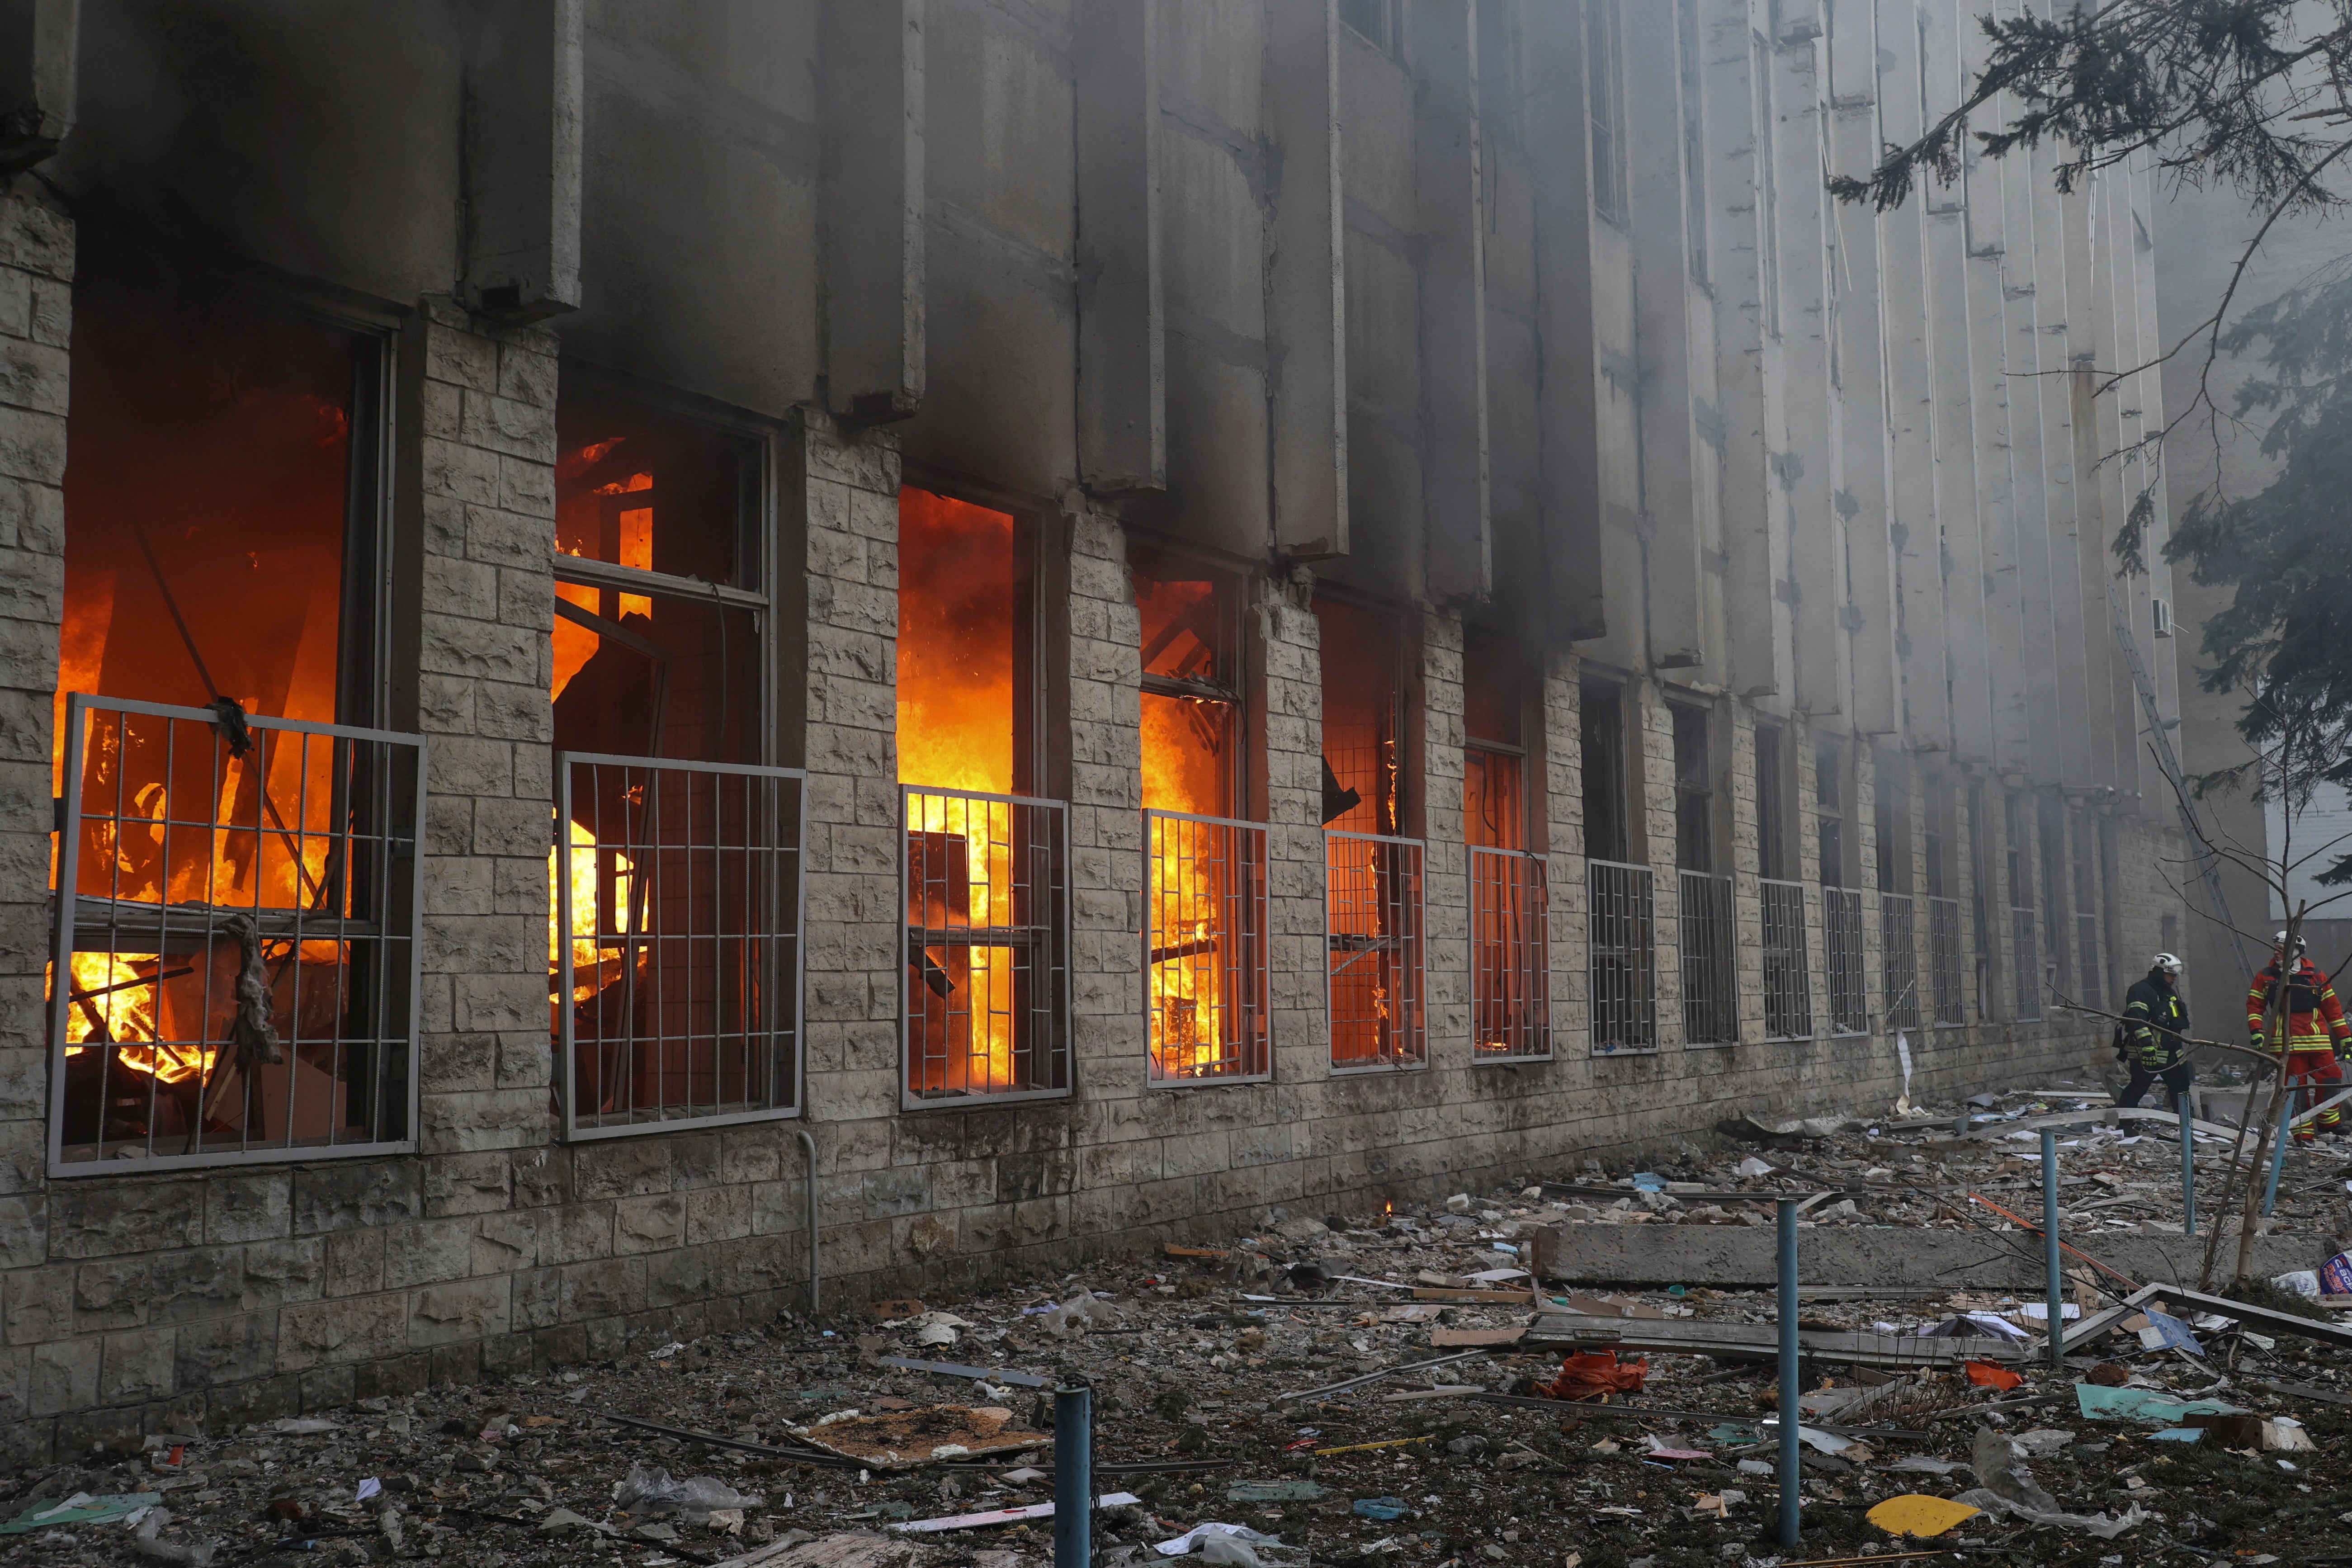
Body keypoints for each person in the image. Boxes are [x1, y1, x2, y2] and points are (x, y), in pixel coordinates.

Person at [2246, 931, 2351, 1143]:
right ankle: (2303, 1134)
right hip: (2288, 1048)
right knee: (2296, 1092)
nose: (2276, 952)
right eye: (2275, 947)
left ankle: (2329, 1123)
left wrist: (2345, 1037)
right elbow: (2254, 1006)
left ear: (2296, 950)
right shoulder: (2266, 976)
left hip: (2319, 1043)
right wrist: (2257, 1031)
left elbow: (2333, 1011)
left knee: (2331, 1080)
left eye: (2281, 948)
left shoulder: (2316, 976)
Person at [2116, 953, 2191, 1120]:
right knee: (2139, 1087)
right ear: (2158, 971)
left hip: (2173, 1053)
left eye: (2175, 976)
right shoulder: (2141, 991)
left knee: (2181, 1088)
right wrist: (2147, 1046)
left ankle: (2187, 1127)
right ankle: (2123, 1125)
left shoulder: (2168, 993)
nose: (2174, 979)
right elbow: (2137, 1019)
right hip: (2149, 1053)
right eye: (2170, 975)